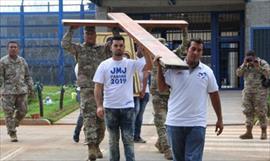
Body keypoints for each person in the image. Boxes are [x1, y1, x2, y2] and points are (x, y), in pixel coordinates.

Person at [157, 38, 223, 161]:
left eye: (199, 50)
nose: (196, 52)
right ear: (187, 50)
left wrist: (220, 119)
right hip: (175, 123)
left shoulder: (207, 72)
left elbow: (214, 95)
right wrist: (159, 68)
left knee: (193, 158)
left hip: (197, 124)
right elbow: (162, 89)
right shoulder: (174, 68)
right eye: (193, 49)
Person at [94, 35, 152, 161]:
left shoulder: (130, 64)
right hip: (110, 108)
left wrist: (145, 50)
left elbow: (149, 67)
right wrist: (99, 105)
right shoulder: (104, 65)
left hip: (127, 108)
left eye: (121, 45)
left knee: (128, 140)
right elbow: (98, 87)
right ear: (111, 47)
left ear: (124, 47)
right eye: (116, 45)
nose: (118, 48)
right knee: (113, 141)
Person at [62, 26, 109, 161]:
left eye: (91, 33)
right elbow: (65, 44)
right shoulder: (79, 49)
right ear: (84, 35)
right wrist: (71, 30)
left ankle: (97, 145)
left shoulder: (102, 49)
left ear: (95, 35)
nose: (89, 36)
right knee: (89, 119)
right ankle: (91, 148)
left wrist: (115, 28)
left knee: (101, 122)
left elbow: (115, 44)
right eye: (87, 33)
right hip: (87, 90)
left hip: (101, 89)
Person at [0, 41, 34, 142]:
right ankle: (12, 133)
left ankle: (14, 123)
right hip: (8, 92)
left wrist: (31, 87)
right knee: (8, 113)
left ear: (18, 49)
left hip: (21, 91)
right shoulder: (3, 62)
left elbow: (27, 76)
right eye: (11, 47)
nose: (13, 49)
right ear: (8, 49)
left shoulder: (22, 61)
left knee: (23, 111)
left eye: (15, 47)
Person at [236, 50, 270, 140]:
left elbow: (268, 74)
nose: (250, 60)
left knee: (261, 111)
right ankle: (248, 132)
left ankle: (263, 132)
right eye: (248, 58)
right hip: (248, 92)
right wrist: (244, 64)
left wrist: (258, 67)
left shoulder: (262, 63)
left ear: (255, 57)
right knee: (248, 111)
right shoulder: (246, 64)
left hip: (260, 92)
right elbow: (238, 74)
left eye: (251, 58)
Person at [150, 38, 172, 160]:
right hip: (157, 95)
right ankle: (167, 149)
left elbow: (184, 46)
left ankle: (160, 143)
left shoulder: (171, 57)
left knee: (168, 123)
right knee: (161, 122)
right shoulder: (152, 57)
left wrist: (184, 31)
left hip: (169, 94)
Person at [133, 45, 151, 143]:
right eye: (140, 47)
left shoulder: (146, 60)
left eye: (144, 48)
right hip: (134, 91)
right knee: (135, 112)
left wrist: (143, 90)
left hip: (144, 91)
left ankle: (136, 136)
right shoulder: (132, 57)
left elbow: (145, 76)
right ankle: (131, 134)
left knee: (139, 115)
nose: (141, 49)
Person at [72, 63, 84, 143]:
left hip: (94, 89)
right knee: (83, 113)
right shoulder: (79, 65)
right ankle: (77, 132)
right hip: (82, 90)